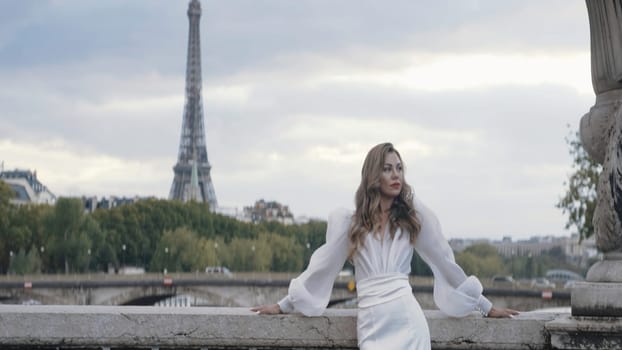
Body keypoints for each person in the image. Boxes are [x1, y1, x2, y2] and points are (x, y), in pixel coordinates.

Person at [251, 142, 519, 349]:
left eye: (400, 168)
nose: (396, 175)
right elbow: (322, 268)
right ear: (373, 174)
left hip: (409, 322)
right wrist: (283, 305)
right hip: (372, 326)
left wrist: (485, 306)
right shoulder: (351, 223)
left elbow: (445, 263)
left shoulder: (412, 220)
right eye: (388, 168)